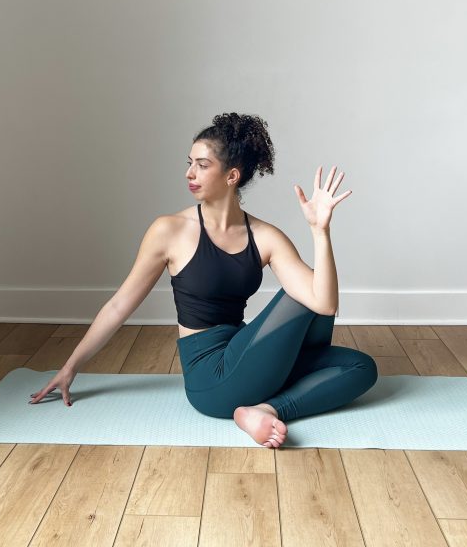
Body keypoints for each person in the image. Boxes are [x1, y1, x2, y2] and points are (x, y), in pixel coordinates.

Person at [29, 112, 378, 448]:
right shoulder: (170, 231)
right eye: (189, 162)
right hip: (210, 378)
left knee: (361, 367)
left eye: (202, 164)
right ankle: (262, 400)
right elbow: (120, 304)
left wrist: (320, 232)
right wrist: (71, 366)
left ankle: (265, 410)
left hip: (247, 357)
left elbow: (326, 304)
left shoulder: (266, 236)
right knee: (301, 295)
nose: (189, 173)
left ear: (232, 176)